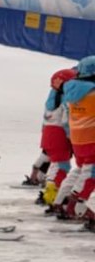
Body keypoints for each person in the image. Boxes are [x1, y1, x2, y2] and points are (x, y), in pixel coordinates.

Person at [51, 56, 95, 222]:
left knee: (80, 170)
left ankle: (60, 201)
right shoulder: (92, 93)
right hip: (92, 140)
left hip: (78, 140)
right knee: (91, 175)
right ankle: (76, 207)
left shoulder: (72, 90)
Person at [36, 68, 76, 206]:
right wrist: (70, 136)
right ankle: (52, 194)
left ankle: (50, 192)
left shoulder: (51, 99)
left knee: (55, 164)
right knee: (62, 166)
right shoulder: (66, 100)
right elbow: (65, 120)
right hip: (59, 134)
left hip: (48, 133)